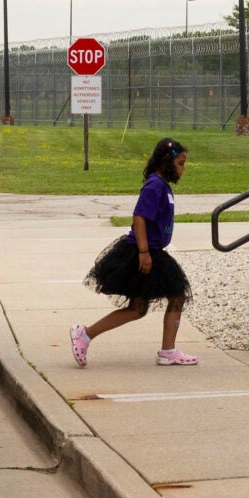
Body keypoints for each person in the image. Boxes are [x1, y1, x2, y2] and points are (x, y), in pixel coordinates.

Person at [73, 138, 198, 368]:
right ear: (166, 163)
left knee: (138, 309)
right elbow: (139, 217)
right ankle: (167, 351)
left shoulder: (163, 185)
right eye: (181, 163)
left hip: (152, 251)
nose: (183, 169)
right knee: (176, 294)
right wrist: (143, 252)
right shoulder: (154, 186)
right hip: (144, 252)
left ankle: (86, 334)